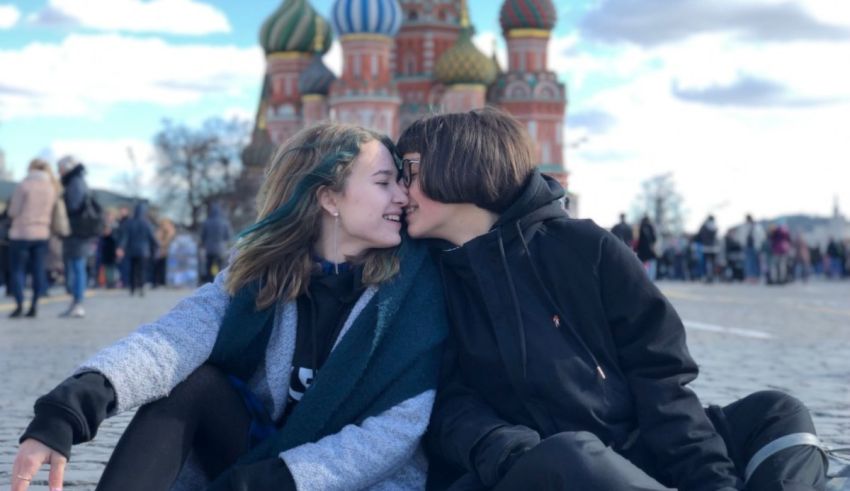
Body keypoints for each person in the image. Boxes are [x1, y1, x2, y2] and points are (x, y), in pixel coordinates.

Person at [396, 108, 827, 491]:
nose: (401, 189)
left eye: (411, 170)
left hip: (636, 448)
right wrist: (508, 451)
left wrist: (711, 481)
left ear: (461, 165)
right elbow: (443, 404)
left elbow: (660, 376)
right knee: (572, 456)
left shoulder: (585, 247)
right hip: (533, 467)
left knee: (777, 412)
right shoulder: (423, 278)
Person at [11, 123, 448, 491]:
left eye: (400, 182)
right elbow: (172, 339)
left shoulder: (413, 288)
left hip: (339, 481)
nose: (402, 197)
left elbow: (397, 431)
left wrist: (274, 480)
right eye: (383, 182)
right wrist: (68, 411)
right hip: (257, 460)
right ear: (329, 198)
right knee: (194, 383)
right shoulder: (261, 272)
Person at [7, 159, 59, 318]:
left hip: (21, 233)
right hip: (42, 233)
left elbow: (13, 211)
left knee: (17, 270)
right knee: (38, 270)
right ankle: (34, 305)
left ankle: (19, 304)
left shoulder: (24, 185)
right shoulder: (51, 187)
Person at [58, 156, 95, 318]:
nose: (58, 171)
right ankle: (76, 302)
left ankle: (78, 302)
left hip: (77, 231)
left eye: (60, 168)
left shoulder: (74, 182)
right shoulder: (77, 180)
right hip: (79, 232)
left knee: (77, 267)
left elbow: (73, 206)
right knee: (76, 266)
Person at [116, 202, 159, 296]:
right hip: (144, 251)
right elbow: (152, 238)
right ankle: (141, 287)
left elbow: (125, 238)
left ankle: (132, 288)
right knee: (142, 270)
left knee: (132, 270)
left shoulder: (129, 223)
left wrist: (121, 247)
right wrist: (156, 246)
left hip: (131, 251)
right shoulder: (147, 224)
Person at [201, 202, 233, 283]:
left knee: (209, 266)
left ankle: (209, 282)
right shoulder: (225, 222)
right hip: (221, 249)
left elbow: (203, 236)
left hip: (209, 249)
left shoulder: (206, 222)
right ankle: (220, 283)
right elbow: (228, 236)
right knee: (220, 267)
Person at [153, 216, 176, 288]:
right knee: (159, 267)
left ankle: (164, 281)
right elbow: (157, 239)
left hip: (168, 252)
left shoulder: (171, 230)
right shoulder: (160, 231)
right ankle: (158, 282)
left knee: (166, 268)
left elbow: (171, 239)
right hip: (161, 252)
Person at [698, 215, 719, 283]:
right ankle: (712, 276)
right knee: (712, 263)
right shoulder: (715, 226)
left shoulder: (704, 226)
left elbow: (699, 235)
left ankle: (706, 276)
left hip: (705, 247)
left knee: (705, 263)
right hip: (713, 247)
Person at [636, 214, 658, 280]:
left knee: (642, 264)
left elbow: (638, 240)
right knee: (651, 264)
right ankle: (651, 278)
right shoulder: (651, 227)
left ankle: (643, 277)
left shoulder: (641, 227)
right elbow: (654, 239)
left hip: (642, 249)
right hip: (650, 249)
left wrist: (637, 249)